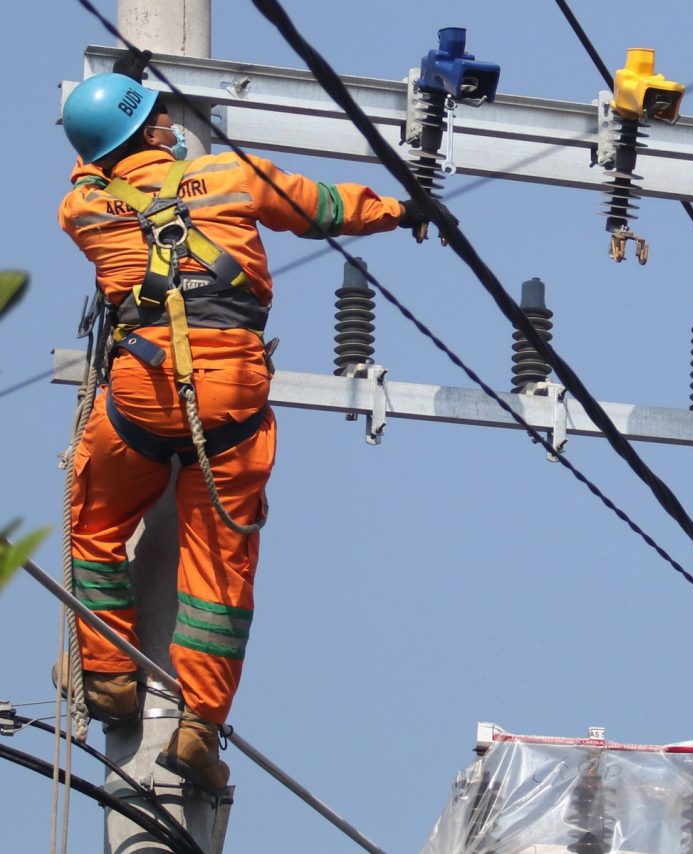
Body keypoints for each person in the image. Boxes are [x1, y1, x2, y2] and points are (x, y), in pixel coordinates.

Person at [59, 70, 444, 794]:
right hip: (228, 398)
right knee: (220, 566)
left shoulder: (84, 210)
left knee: (94, 520)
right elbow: (318, 205)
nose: (172, 125)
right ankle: (198, 725)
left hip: (139, 394)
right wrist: (400, 210)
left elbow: (87, 174)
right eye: (159, 118)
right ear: (144, 131)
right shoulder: (229, 175)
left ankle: (109, 676)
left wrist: (101, 147)